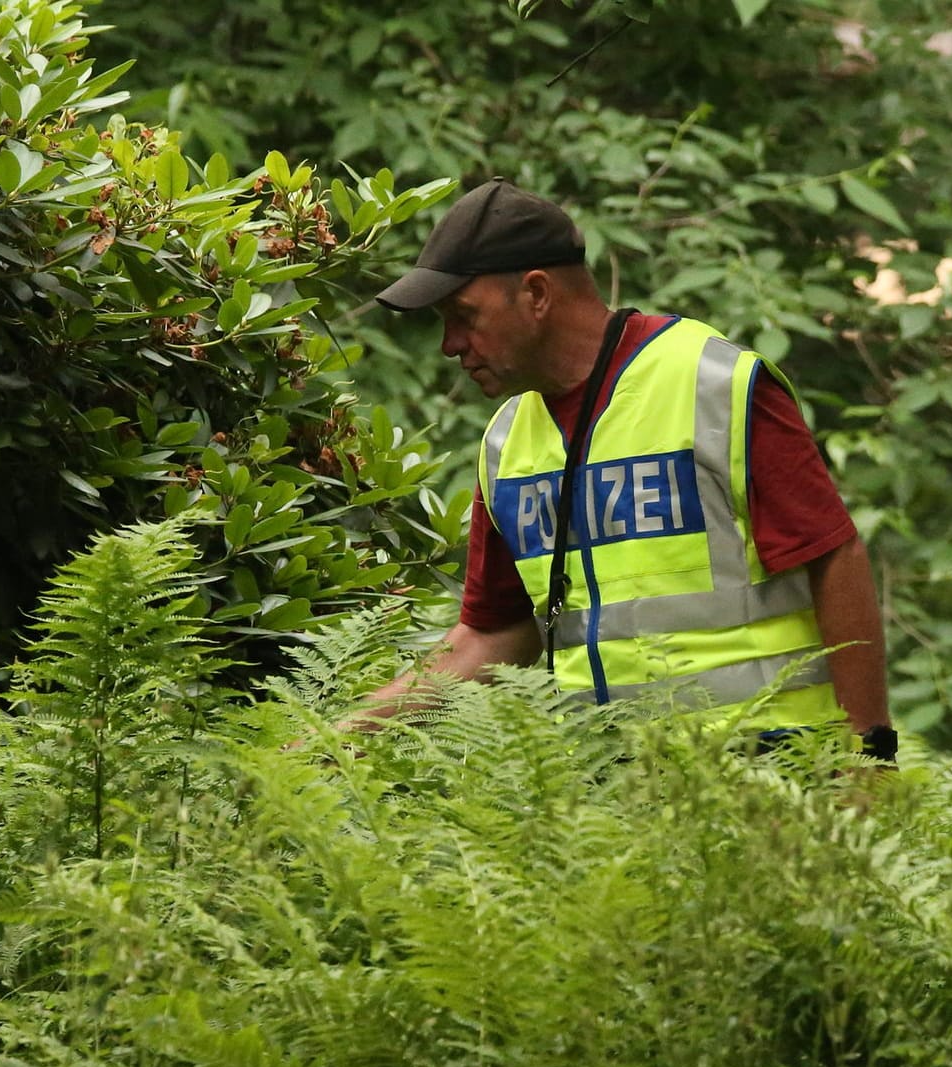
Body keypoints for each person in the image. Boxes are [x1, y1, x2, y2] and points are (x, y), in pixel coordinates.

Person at [364, 178, 893, 759]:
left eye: (463, 315)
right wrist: (337, 742)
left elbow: (833, 557)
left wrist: (869, 753)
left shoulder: (717, 386)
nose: (449, 345)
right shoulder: (505, 441)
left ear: (536, 294)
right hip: (615, 796)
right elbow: (493, 631)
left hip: (775, 771)